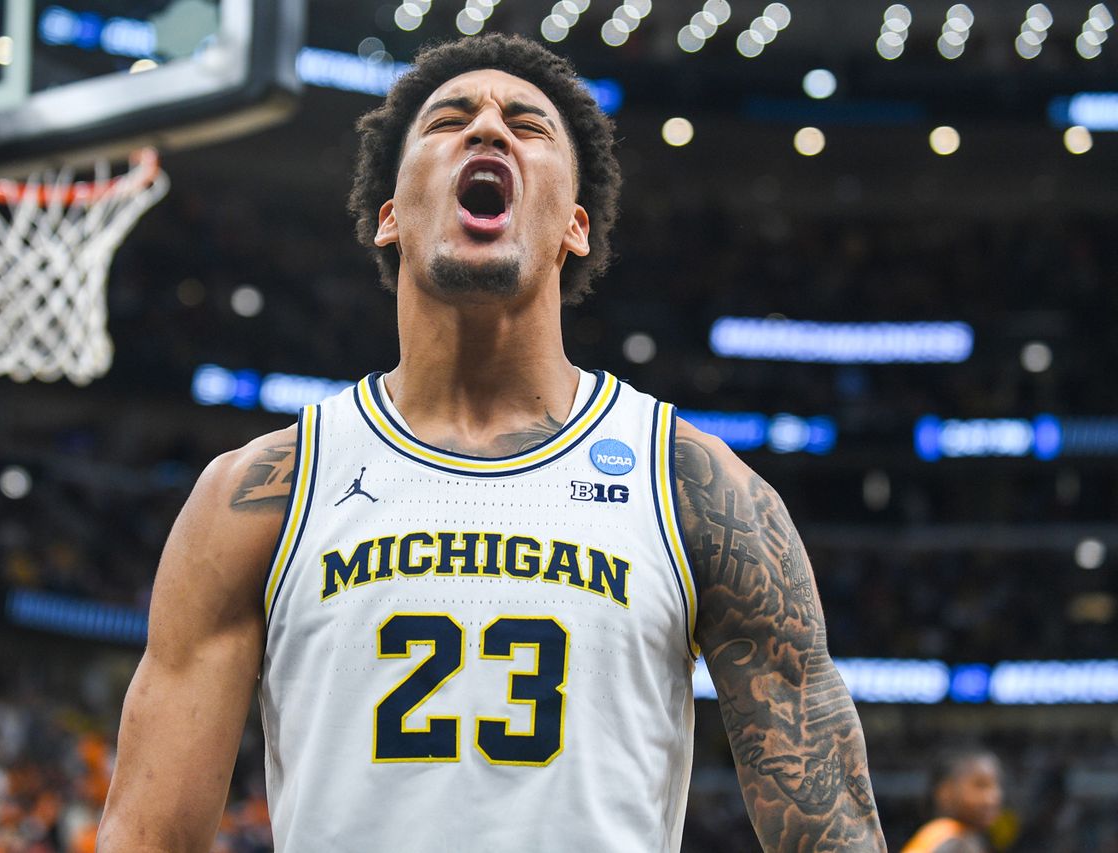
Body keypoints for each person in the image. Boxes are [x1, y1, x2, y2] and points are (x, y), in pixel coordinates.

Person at [98, 34, 886, 852]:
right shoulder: (261, 491)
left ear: (575, 227)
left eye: (527, 124)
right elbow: (149, 837)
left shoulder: (695, 485)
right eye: (448, 120)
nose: (486, 129)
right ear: (389, 217)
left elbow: (834, 833)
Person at [902, 750, 1004, 853]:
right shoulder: (955, 843)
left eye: (996, 786)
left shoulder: (933, 836)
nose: (992, 797)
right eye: (980, 786)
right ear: (946, 792)